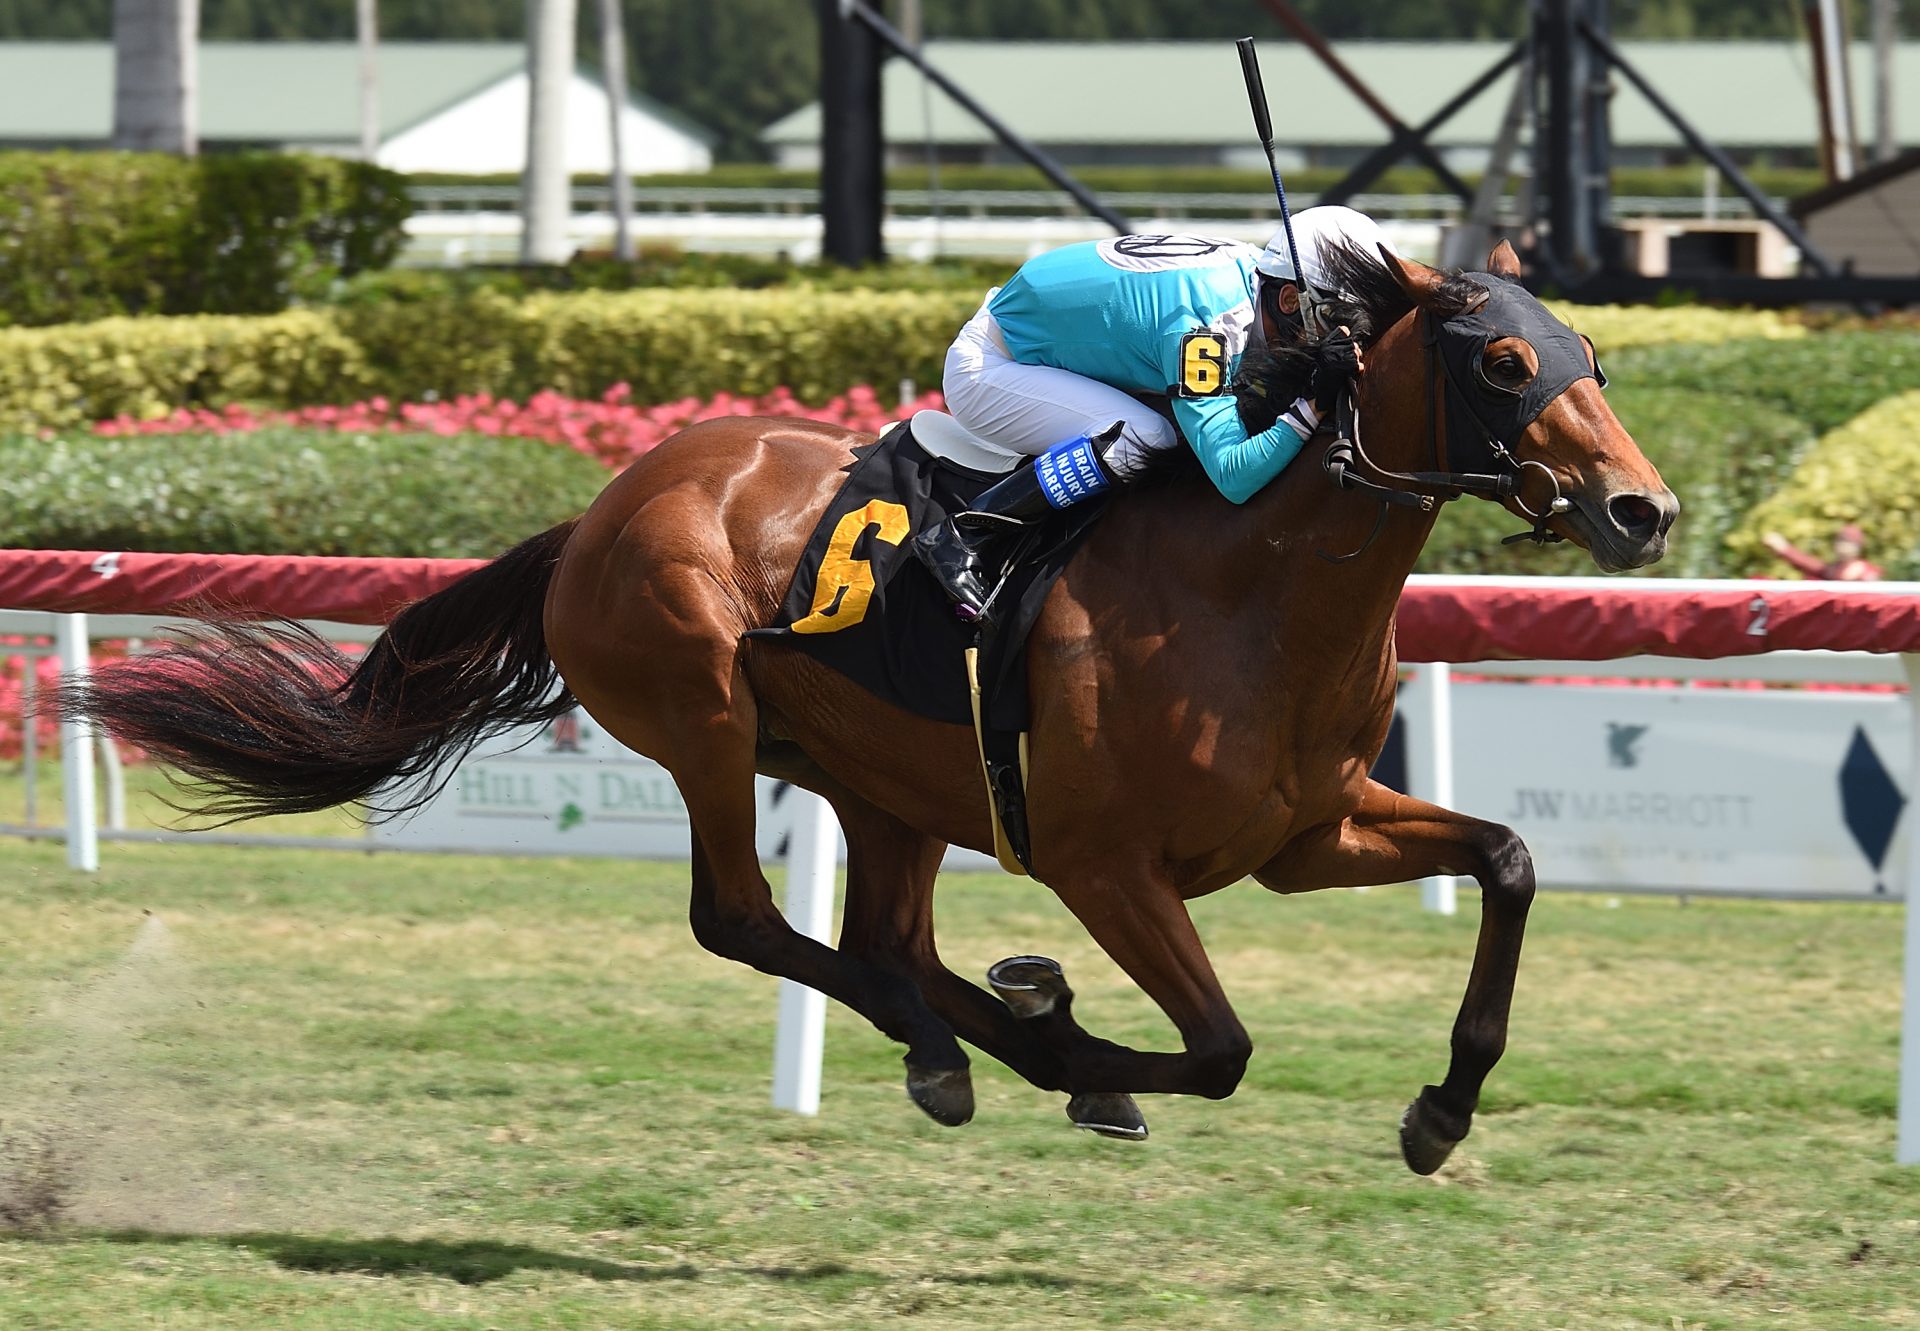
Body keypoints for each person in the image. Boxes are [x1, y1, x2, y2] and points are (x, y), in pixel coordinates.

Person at [912, 205, 1395, 622]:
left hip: (1035, 335)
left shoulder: (1257, 272)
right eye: (1337, 324)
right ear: (1289, 299)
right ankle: (967, 532)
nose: (1345, 339)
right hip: (990, 371)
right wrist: (1313, 404)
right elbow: (1233, 473)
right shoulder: (1206, 331)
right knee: (1147, 437)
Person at [1762, 524, 1883, 581]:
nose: (1842, 547)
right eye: (1840, 541)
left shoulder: (1867, 573)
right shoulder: (1831, 570)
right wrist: (1783, 548)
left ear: (1857, 547)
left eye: (1847, 542)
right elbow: (1807, 563)